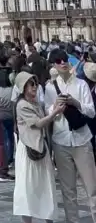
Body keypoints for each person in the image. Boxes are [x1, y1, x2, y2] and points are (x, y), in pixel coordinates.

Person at [44, 48, 96, 223]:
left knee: (92, 188)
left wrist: (76, 103)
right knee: (68, 190)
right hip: (61, 141)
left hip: (82, 139)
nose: (63, 63)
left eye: (64, 60)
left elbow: (91, 111)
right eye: (58, 61)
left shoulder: (81, 84)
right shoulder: (50, 87)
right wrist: (55, 108)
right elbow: (47, 112)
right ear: (54, 65)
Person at [14, 71, 62, 223]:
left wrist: (53, 108)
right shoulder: (22, 105)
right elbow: (38, 123)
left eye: (35, 83)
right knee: (27, 187)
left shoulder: (35, 103)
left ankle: (48, 218)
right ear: (23, 86)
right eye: (31, 84)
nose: (35, 86)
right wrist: (55, 112)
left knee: (46, 185)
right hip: (29, 149)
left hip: (40, 147)